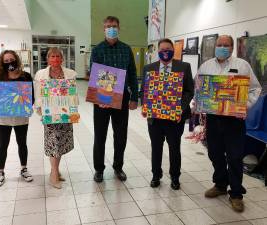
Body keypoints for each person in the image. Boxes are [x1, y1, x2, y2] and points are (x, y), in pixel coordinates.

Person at [196, 35, 262, 212]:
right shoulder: (206, 66)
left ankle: (236, 194)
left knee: (234, 157)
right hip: (213, 118)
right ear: (215, 47)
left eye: (226, 45)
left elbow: (256, 88)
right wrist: (198, 102)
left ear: (232, 47)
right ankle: (220, 184)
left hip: (234, 121)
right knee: (214, 154)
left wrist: (245, 105)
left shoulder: (242, 65)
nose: (222, 47)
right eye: (219, 45)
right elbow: (199, 87)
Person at [90, 16, 139, 183]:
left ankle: (118, 167)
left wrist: (135, 98)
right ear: (103, 29)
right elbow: (94, 74)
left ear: (119, 28)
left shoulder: (126, 49)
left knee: (120, 135)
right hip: (102, 97)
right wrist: (98, 97)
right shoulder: (97, 50)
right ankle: (99, 169)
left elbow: (132, 73)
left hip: (122, 97)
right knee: (100, 135)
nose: (111, 28)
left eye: (114, 26)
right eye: (108, 26)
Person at [140, 38, 194, 190]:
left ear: (173, 50)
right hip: (155, 118)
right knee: (156, 147)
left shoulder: (184, 67)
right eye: (162, 50)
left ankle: (175, 177)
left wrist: (179, 108)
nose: (165, 52)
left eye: (168, 49)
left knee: (174, 148)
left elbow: (189, 91)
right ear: (158, 52)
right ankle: (156, 175)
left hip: (175, 118)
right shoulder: (149, 68)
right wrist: (146, 106)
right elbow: (144, 91)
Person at [34, 47, 77, 189]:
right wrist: (39, 107)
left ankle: (56, 170)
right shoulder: (41, 74)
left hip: (65, 113)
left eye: (58, 56)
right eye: (52, 56)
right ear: (48, 59)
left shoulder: (70, 74)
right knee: (53, 142)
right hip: (49, 113)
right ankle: (53, 175)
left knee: (61, 142)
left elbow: (73, 93)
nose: (55, 59)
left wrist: (73, 110)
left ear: (62, 59)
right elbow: (38, 94)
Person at [0, 50, 34, 187]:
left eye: (12, 59)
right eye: (6, 61)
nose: (10, 62)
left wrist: (27, 103)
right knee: (3, 145)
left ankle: (24, 169)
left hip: (21, 117)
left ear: (17, 59)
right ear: (2, 64)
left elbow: (31, 97)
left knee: (22, 143)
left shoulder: (26, 76)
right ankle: (1, 172)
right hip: (3, 119)